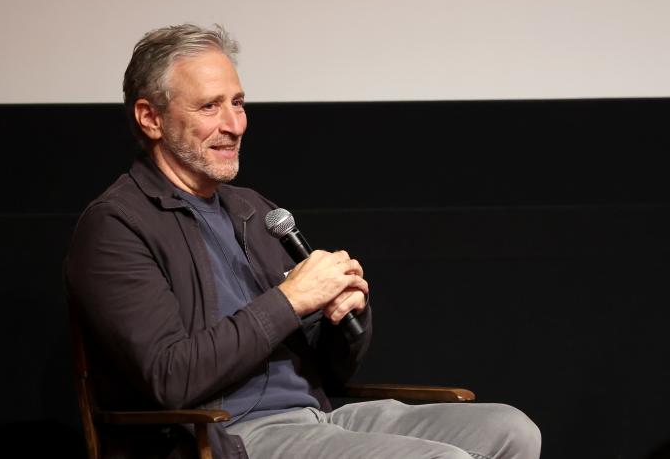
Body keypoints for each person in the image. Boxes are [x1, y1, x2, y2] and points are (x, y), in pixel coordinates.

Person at [64, 23, 541, 459]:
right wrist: (291, 299)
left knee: (511, 429)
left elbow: (332, 373)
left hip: (317, 416)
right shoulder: (116, 226)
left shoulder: (250, 207)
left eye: (238, 102)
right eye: (210, 106)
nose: (235, 124)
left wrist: (343, 313)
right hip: (228, 434)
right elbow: (171, 378)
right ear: (150, 118)